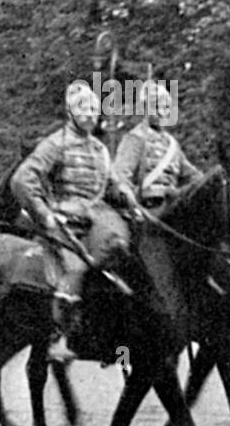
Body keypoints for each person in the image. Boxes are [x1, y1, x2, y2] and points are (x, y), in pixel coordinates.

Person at [11, 80, 142, 362]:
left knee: (126, 259)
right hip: (65, 221)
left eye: (94, 109)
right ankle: (60, 336)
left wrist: (128, 198)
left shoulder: (100, 150)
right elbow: (23, 179)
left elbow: (113, 184)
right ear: (71, 111)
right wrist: (43, 214)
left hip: (97, 219)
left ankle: (117, 338)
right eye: (83, 107)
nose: (90, 114)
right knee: (77, 267)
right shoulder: (55, 143)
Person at [111, 80, 199, 208]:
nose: (162, 112)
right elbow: (121, 175)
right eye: (156, 107)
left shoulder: (172, 144)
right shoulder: (135, 138)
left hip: (172, 203)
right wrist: (130, 198)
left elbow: (192, 175)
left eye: (166, 107)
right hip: (147, 205)